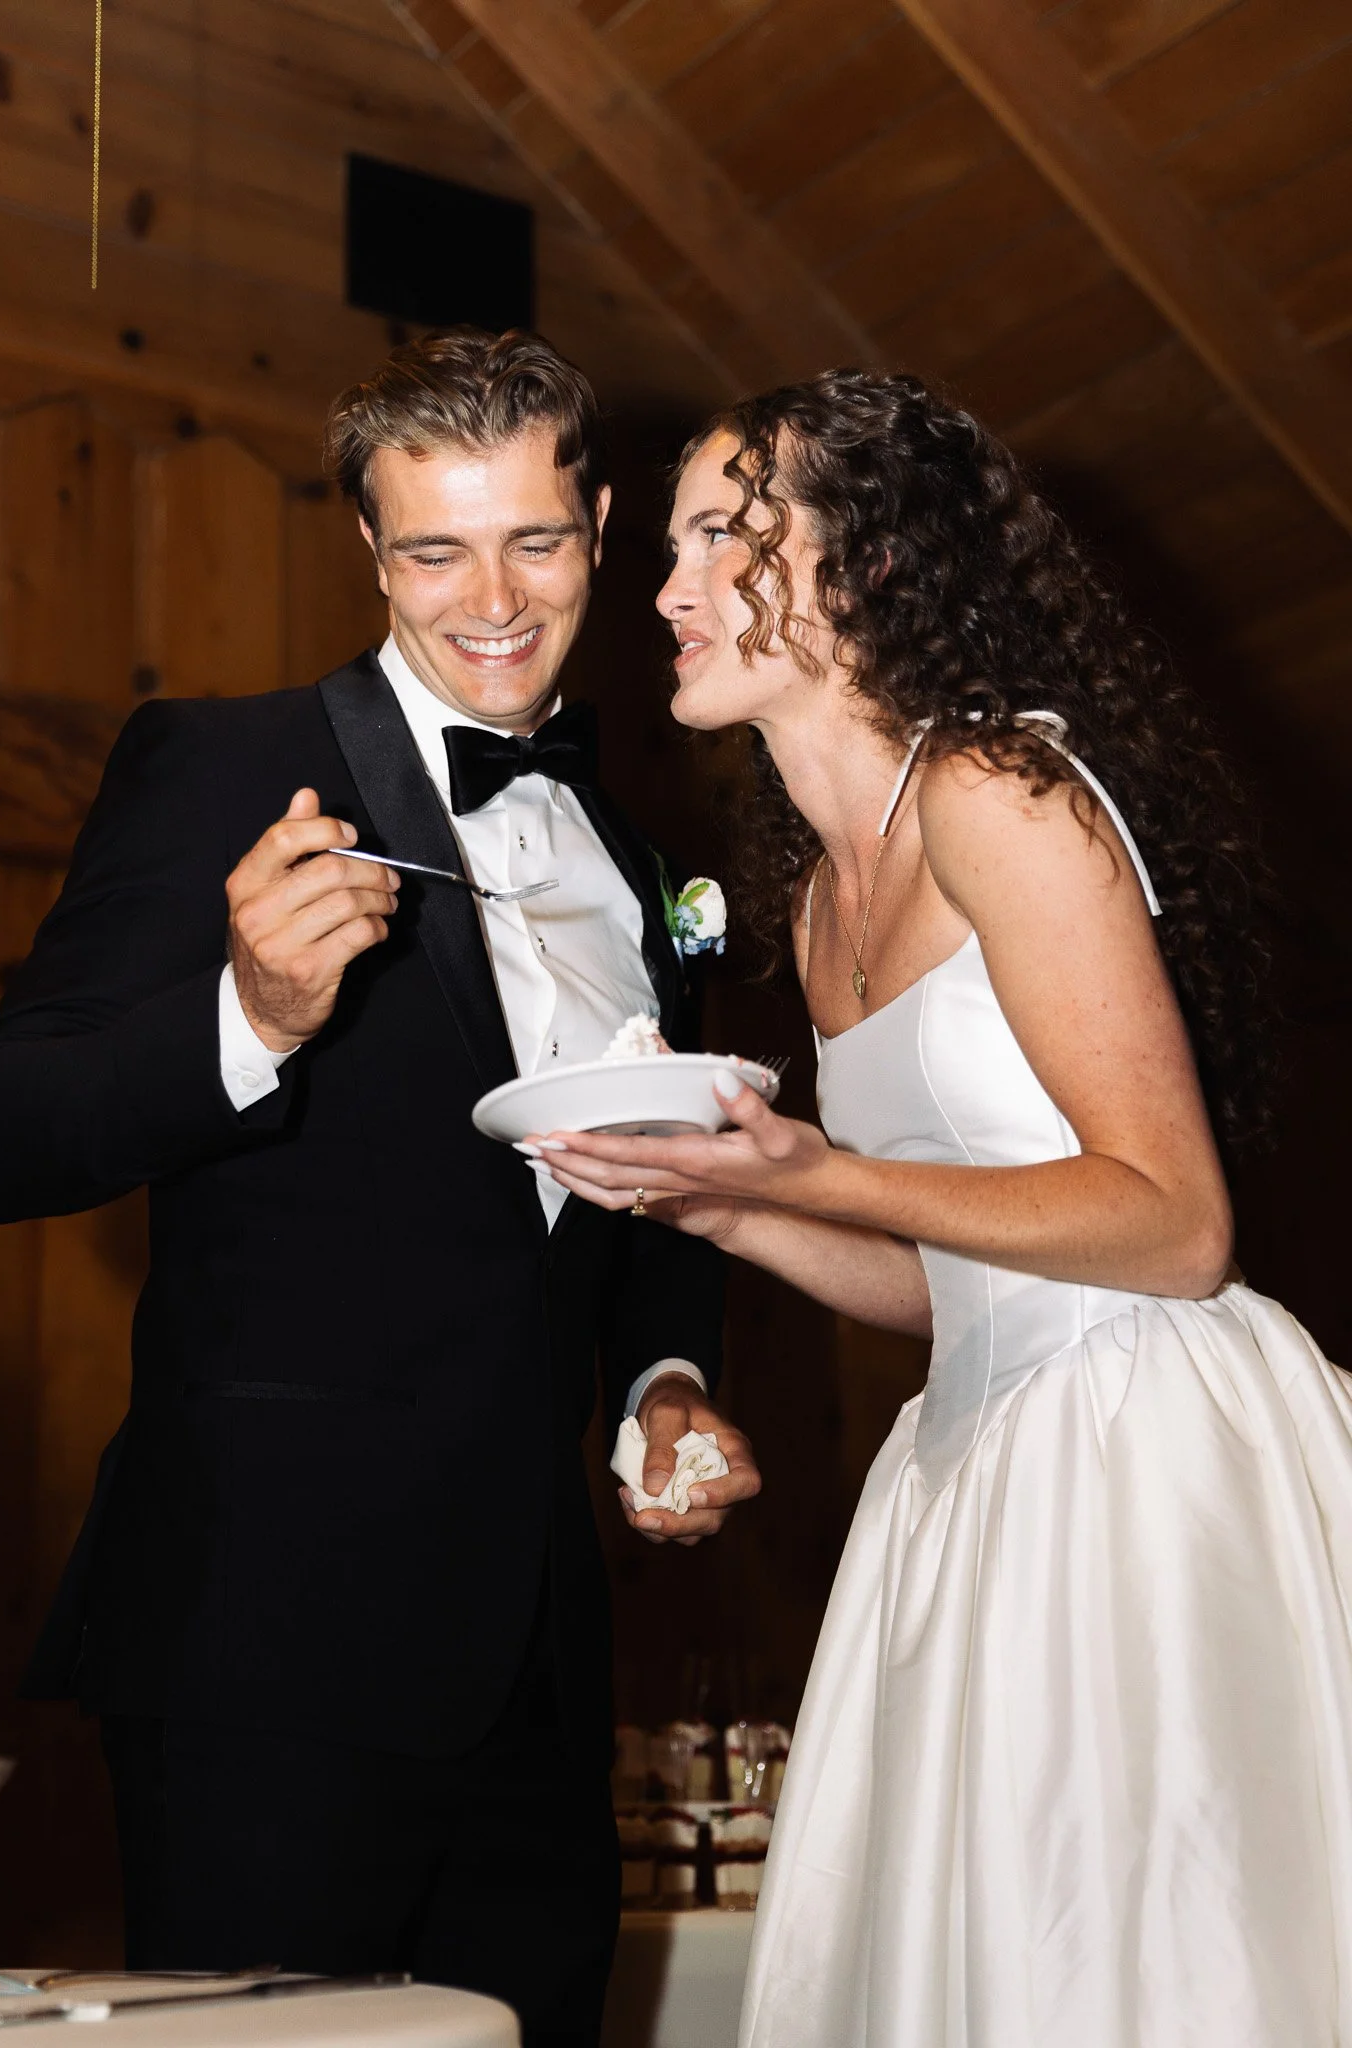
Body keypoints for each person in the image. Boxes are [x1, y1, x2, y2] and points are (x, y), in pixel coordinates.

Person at [0, 328, 761, 2046]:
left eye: (534, 539)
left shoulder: (650, 861)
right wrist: (248, 1016)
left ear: (602, 526)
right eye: (435, 549)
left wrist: (661, 1383)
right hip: (266, 1651)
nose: (494, 599)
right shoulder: (223, 763)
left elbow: (647, 1212)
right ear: (369, 552)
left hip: (541, 1678)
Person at [533, 369, 1352, 2047]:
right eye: (673, 544)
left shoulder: (995, 792)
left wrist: (813, 1168)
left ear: (864, 576)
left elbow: (1175, 1226)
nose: (670, 589)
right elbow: (946, 1279)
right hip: (968, 1467)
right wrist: (711, 1203)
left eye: (720, 539)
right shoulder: (826, 892)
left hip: (1140, 1453)